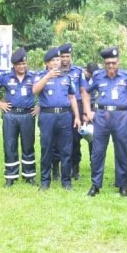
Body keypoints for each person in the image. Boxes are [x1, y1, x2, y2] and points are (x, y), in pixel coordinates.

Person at [84, 47, 127, 197]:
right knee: (98, 152)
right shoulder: (98, 76)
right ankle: (95, 185)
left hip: (120, 116)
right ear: (104, 64)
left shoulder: (126, 76)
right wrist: (88, 111)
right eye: (108, 63)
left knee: (122, 151)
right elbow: (86, 93)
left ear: (118, 62)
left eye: (114, 62)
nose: (111, 65)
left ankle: (122, 185)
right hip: (102, 116)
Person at [0, 48, 37, 187]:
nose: (22, 66)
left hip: (28, 115)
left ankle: (29, 175)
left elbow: (45, 89)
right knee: (10, 145)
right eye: (19, 64)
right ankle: (10, 176)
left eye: (24, 63)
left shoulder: (33, 76)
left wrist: (40, 106)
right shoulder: (6, 76)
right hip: (11, 115)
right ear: (14, 65)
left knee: (28, 145)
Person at [31, 47, 80, 191]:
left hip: (64, 115)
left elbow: (72, 97)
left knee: (66, 149)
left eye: (58, 59)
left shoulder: (67, 77)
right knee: (46, 148)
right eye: (53, 60)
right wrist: (48, 76)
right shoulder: (40, 76)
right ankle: (45, 181)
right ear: (47, 63)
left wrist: (77, 116)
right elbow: (34, 90)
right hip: (47, 116)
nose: (56, 62)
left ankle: (66, 181)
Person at [51, 43, 82, 181]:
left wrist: (83, 113)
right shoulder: (52, 70)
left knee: (75, 140)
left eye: (67, 56)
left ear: (70, 57)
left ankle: (75, 168)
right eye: (62, 56)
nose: (64, 59)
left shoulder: (78, 71)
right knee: (55, 141)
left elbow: (82, 91)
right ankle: (55, 168)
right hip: (58, 110)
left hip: (74, 109)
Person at [72, 62, 98, 180]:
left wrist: (90, 113)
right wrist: (83, 113)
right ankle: (75, 169)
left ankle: (94, 166)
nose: (92, 77)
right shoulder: (78, 77)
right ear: (86, 71)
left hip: (92, 110)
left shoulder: (97, 78)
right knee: (75, 141)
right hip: (78, 108)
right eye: (90, 75)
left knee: (93, 140)